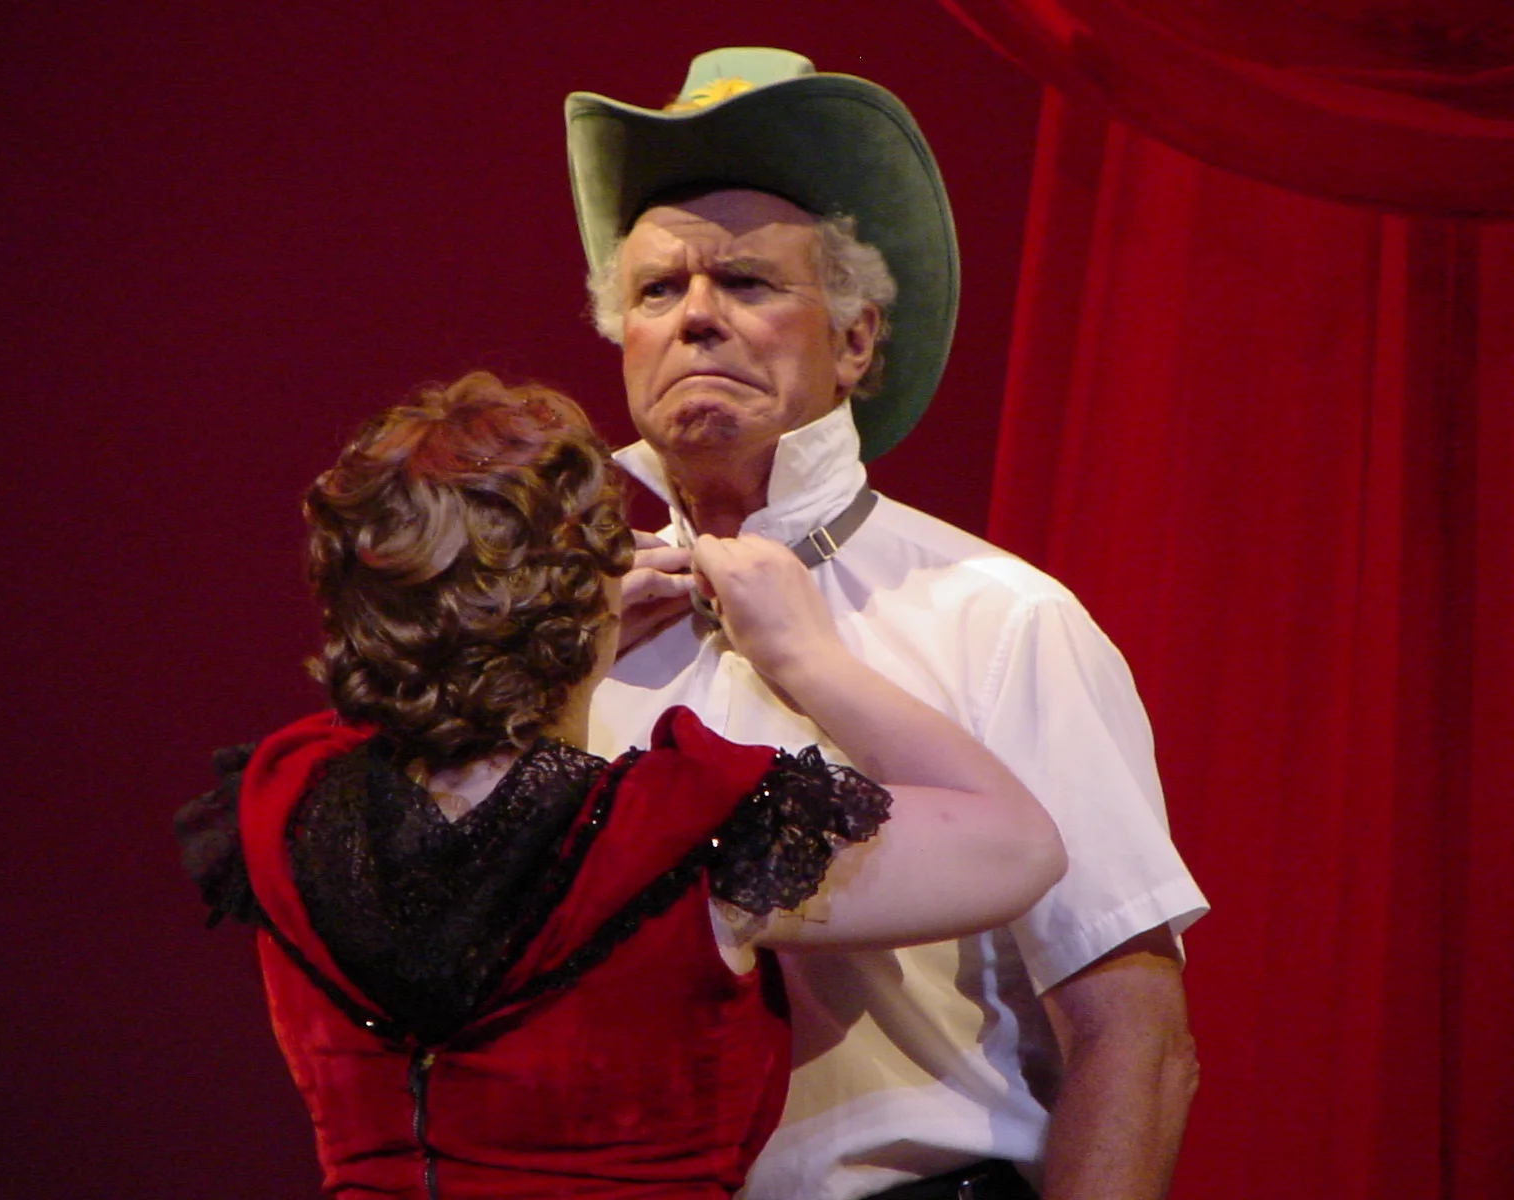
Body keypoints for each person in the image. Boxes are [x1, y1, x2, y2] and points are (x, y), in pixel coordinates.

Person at [566, 49, 1211, 1200]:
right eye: (657, 291)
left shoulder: (999, 620)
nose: (697, 317)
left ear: (856, 340)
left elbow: (1135, 1042)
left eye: (747, 282)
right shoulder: (566, 643)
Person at [175, 371, 1065, 1199]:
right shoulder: (674, 832)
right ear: (584, 594)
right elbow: (1019, 848)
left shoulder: (284, 803)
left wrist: (550, 648)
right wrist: (806, 657)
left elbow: (409, 730)